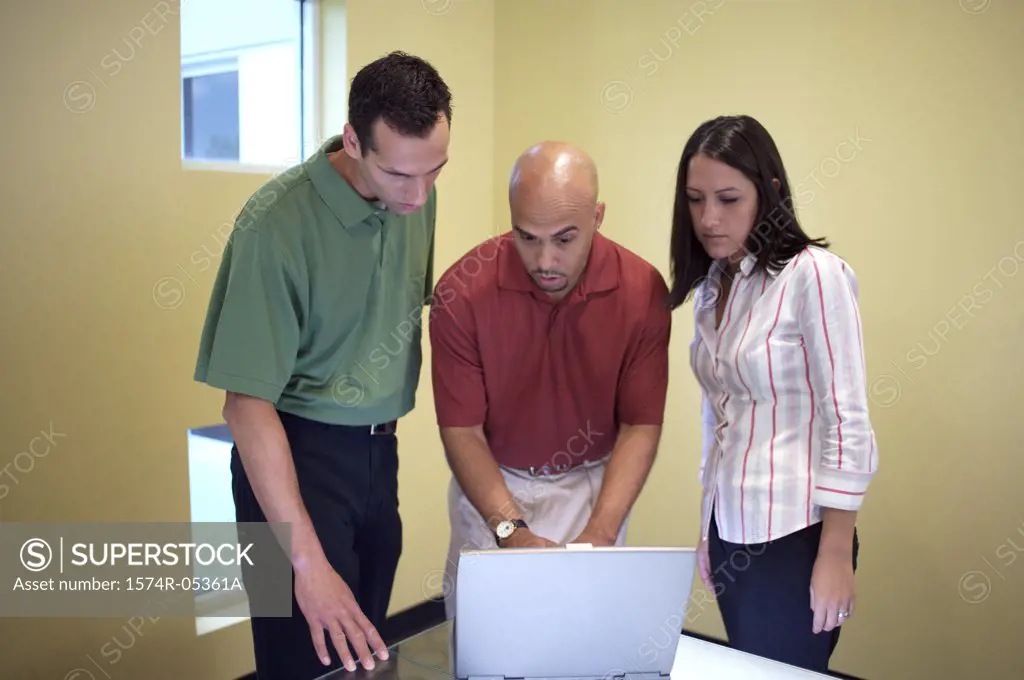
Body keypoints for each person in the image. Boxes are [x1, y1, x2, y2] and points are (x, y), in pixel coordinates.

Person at [192, 51, 453, 679]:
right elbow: (244, 406)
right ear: (353, 140)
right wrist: (304, 566)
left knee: (360, 662)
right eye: (398, 175)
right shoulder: (276, 224)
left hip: (377, 459)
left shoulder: (416, 194)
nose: (417, 197)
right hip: (293, 460)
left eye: (435, 170)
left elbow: (407, 303)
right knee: (303, 666)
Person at [665, 114, 878, 672]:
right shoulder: (714, 286)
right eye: (695, 198)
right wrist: (708, 527)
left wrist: (835, 552)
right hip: (732, 526)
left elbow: (847, 419)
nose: (709, 218)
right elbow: (720, 419)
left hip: (797, 534)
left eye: (729, 198)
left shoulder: (815, 275)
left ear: (770, 193)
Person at [428, 140, 672, 620]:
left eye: (564, 239)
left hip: (593, 490)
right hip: (495, 491)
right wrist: (509, 531)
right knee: (489, 649)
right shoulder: (461, 292)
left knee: (589, 647)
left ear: (597, 217)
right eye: (527, 237)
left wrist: (601, 531)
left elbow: (640, 425)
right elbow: (462, 432)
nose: (544, 260)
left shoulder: (642, 290)